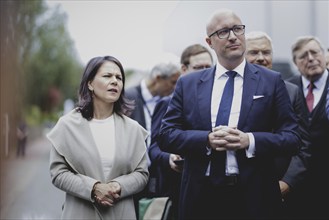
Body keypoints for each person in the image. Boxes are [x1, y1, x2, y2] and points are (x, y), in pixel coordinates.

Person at [158, 9, 301, 220]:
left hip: (254, 197)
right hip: (201, 197)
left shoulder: (271, 81)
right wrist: (206, 139)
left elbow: (293, 139)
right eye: (223, 32)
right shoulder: (189, 84)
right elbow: (166, 135)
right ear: (209, 42)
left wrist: (249, 140)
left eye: (237, 29)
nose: (233, 36)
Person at [47, 55, 149, 219]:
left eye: (119, 78)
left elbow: (142, 174)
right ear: (90, 83)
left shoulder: (133, 129)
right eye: (107, 76)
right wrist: (93, 188)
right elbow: (58, 174)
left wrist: (118, 186)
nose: (115, 81)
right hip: (80, 213)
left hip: (121, 213)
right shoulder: (67, 125)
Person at [245, 31, 312, 219]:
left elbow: (303, 144)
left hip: (283, 190)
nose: (261, 58)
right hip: (242, 189)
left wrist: (287, 182)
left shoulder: (292, 92)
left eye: (266, 52)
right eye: (254, 52)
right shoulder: (231, 91)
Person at [149, 44, 213, 219]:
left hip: (213, 189)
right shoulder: (167, 103)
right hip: (177, 189)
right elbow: (153, 147)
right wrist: (169, 158)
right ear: (184, 69)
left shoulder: (220, 103)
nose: (205, 72)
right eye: (199, 67)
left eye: (209, 67)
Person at [125, 61, 181, 217]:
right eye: (173, 82)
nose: (175, 87)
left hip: (158, 175)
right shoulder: (127, 96)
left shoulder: (170, 101)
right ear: (158, 78)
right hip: (132, 177)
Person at [288, 36, 329, 219]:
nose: (311, 58)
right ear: (296, 64)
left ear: (324, 55)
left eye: (315, 52)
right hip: (296, 183)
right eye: (303, 56)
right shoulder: (287, 88)